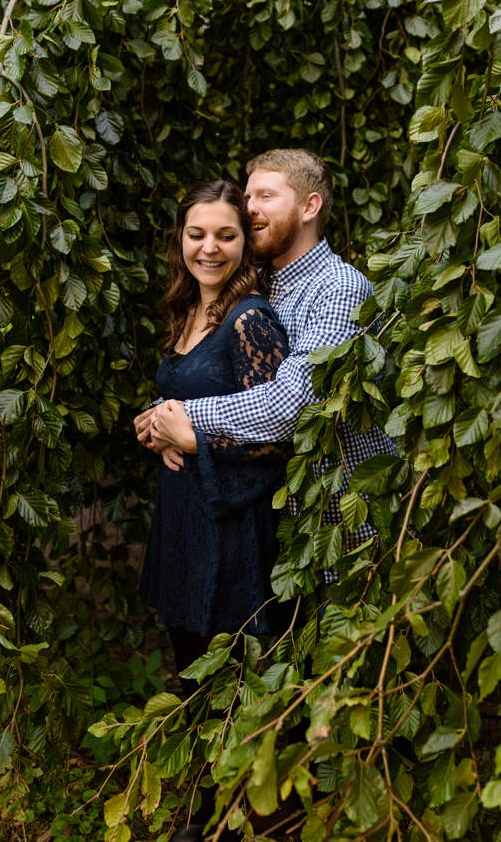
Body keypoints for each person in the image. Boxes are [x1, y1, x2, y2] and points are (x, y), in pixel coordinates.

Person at [137, 150, 397, 586]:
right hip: (272, 534)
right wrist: (160, 416)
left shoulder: (339, 289)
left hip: (339, 531)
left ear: (309, 207)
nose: (248, 207)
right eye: (247, 194)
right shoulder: (252, 280)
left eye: (265, 196)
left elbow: (292, 405)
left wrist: (186, 422)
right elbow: (210, 369)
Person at [139, 180, 294, 842]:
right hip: (183, 523)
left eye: (226, 235)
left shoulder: (251, 319)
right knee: (192, 673)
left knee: (232, 679)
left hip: (230, 528)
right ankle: (203, 806)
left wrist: (190, 436)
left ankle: (229, 819)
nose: (210, 247)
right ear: (181, 240)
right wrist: (149, 426)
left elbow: (274, 433)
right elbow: (174, 403)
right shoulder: (185, 309)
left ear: (244, 243)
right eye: (197, 233)